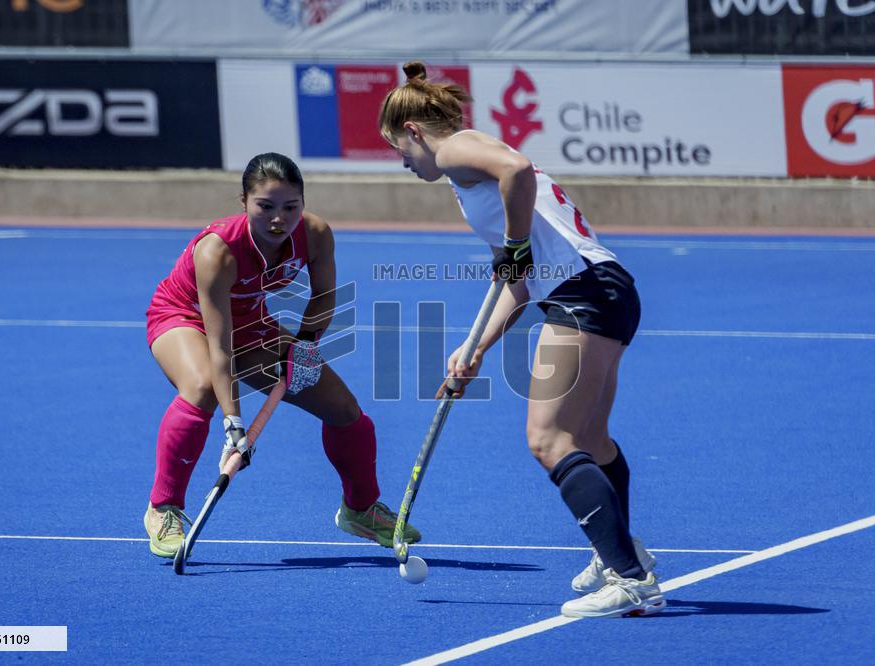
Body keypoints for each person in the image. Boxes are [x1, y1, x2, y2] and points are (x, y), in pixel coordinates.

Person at [378, 62, 663, 618]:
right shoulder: (466, 180)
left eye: (399, 151)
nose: (405, 164)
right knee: (592, 440)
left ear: (414, 131)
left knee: (547, 437)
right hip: (601, 289)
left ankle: (630, 579)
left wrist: (512, 244)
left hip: (584, 292)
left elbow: (518, 169)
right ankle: (623, 558)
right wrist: (475, 347)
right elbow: (518, 280)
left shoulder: (457, 149)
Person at [142, 152, 420, 558]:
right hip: (187, 318)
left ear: (303, 203)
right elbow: (221, 348)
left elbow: (324, 298)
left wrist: (305, 346)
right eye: (265, 207)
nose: (278, 219)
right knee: (202, 386)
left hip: (254, 324)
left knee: (345, 411)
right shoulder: (217, 252)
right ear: (243, 202)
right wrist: (234, 425)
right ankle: (163, 508)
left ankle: (360, 510)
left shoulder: (316, 234)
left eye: (290, 207)